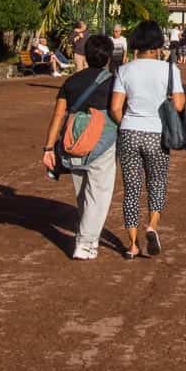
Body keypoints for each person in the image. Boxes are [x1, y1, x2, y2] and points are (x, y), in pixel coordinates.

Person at [40, 33, 119, 260]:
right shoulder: (114, 82)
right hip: (101, 143)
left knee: (82, 193)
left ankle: (88, 238)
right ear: (108, 57)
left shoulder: (71, 81)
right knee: (99, 194)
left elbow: (58, 115)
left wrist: (48, 148)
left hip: (73, 140)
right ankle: (85, 242)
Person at [110, 21, 185, 260]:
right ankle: (152, 226)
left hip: (130, 132)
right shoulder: (170, 70)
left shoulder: (125, 70)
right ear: (156, 44)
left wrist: (127, 123)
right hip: (157, 133)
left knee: (131, 189)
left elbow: (114, 108)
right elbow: (180, 104)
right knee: (157, 183)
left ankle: (132, 245)